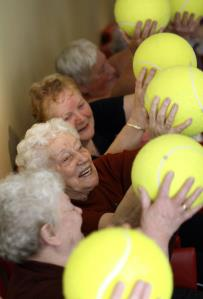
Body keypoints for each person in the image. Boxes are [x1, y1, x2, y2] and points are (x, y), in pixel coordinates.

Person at [0, 170, 202, 299]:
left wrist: (149, 235)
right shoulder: (53, 292)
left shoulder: (55, 265)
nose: (79, 212)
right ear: (51, 233)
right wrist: (159, 232)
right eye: (70, 208)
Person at [15, 118, 202, 240]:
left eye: (79, 147)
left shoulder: (100, 168)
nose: (83, 158)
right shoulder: (66, 215)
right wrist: (153, 159)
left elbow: (155, 154)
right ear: (47, 179)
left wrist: (164, 143)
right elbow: (118, 224)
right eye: (66, 158)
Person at [30, 71, 191, 158]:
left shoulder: (94, 113)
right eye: (67, 117)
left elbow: (144, 101)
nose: (80, 118)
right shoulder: (68, 159)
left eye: (81, 105)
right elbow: (106, 167)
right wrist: (139, 118)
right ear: (50, 127)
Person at [55, 21, 160, 101]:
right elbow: (122, 88)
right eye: (102, 70)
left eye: (105, 62)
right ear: (83, 87)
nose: (111, 69)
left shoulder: (112, 64)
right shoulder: (92, 108)